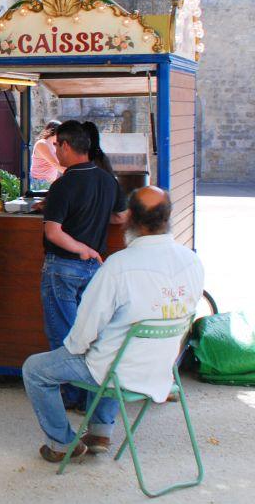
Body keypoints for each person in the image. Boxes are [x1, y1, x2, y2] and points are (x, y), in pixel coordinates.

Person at [22, 186, 205, 461]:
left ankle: (61, 444)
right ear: (168, 218)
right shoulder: (192, 261)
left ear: (130, 217)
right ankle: (99, 432)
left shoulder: (119, 266)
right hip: (162, 369)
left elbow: (84, 330)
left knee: (36, 369)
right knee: (114, 346)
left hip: (117, 368)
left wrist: (76, 347)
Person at [41, 120, 128, 410]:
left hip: (63, 267)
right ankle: (92, 397)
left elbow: (53, 231)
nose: (56, 152)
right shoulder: (107, 180)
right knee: (92, 335)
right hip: (94, 271)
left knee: (65, 337)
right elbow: (122, 216)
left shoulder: (63, 184)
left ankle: (73, 396)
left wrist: (83, 249)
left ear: (66, 146)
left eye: (57, 146)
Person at [30, 120, 63, 190]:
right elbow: (56, 164)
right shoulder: (42, 144)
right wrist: (74, 173)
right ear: (55, 132)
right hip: (39, 183)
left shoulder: (53, 146)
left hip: (48, 183)